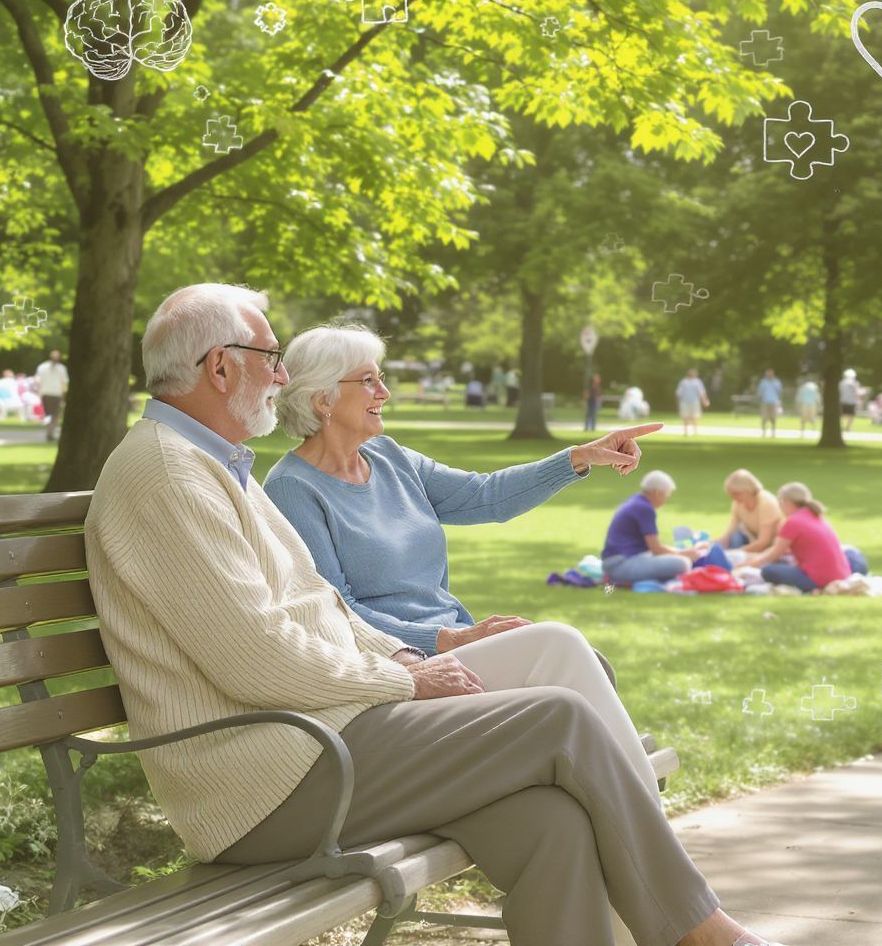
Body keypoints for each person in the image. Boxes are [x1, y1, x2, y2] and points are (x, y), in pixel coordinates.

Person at [85, 283, 789, 946]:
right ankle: (702, 931)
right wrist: (408, 681)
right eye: (270, 358)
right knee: (560, 718)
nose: (279, 375)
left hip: (322, 739)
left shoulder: (216, 463)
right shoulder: (171, 473)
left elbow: (321, 604)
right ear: (218, 368)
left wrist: (401, 657)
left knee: (551, 821)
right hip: (267, 781)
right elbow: (255, 655)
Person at [265, 324, 664, 810]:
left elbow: (484, 496)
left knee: (584, 663)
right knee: (560, 645)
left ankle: (623, 812)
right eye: (368, 381)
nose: (384, 392)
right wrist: (446, 640)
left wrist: (578, 458)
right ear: (322, 397)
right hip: (407, 668)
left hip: (456, 644)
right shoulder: (291, 489)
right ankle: (643, 810)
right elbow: (334, 610)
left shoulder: (389, 458)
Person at [746, 482, 869, 593]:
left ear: (786, 502)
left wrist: (748, 564)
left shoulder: (793, 521)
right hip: (841, 574)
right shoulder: (816, 516)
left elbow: (774, 554)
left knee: (768, 570)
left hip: (818, 579)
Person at [601, 471, 701, 586]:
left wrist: (680, 552)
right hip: (621, 564)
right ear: (657, 493)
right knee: (683, 563)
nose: (666, 499)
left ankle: (630, 580)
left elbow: (653, 548)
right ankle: (621, 580)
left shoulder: (636, 501)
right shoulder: (645, 509)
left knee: (674, 559)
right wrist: (683, 554)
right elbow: (656, 549)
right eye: (666, 494)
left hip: (620, 561)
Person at [715, 470, 784, 555]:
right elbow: (733, 525)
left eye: (736, 494)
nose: (733, 497)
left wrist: (735, 552)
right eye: (731, 494)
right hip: (752, 537)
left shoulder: (766, 503)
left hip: (772, 544)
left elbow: (764, 542)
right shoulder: (738, 502)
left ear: (748, 490)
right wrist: (723, 539)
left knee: (735, 544)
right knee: (734, 536)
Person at [35, 348, 70, 441]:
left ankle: (49, 431)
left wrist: (39, 392)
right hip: (55, 394)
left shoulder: (42, 367)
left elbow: (38, 381)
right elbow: (64, 383)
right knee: (54, 415)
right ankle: (50, 431)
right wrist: (64, 394)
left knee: (48, 414)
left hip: (46, 393)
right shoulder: (61, 368)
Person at [676, 368, 710, 437]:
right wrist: (678, 402)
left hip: (695, 402)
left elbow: (702, 393)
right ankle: (686, 432)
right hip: (685, 402)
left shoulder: (697, 382)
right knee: (685, 417)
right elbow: (679, 393)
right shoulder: (684, 382)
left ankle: (695, 432)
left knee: (695, 417)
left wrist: (704, 401)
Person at [756, 368, 783, 438]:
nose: (769, 375)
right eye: (768, 374)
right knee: (764, 417)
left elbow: (779, 392)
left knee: (773, 418)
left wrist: (779, 401)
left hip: (774, 402)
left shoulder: (777, 382)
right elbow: (760, 392)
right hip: (765, 401)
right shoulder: (763, 382)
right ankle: (763, 432)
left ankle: (773, 433)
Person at [839, 368, 860, 433]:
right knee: (850, 415)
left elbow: (840, 392)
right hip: (851, 401)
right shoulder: (855, 383)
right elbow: (857, 392)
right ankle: (848, 427)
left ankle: (846, 427)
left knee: (844, 415)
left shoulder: (842, 383)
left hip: (844, 401)